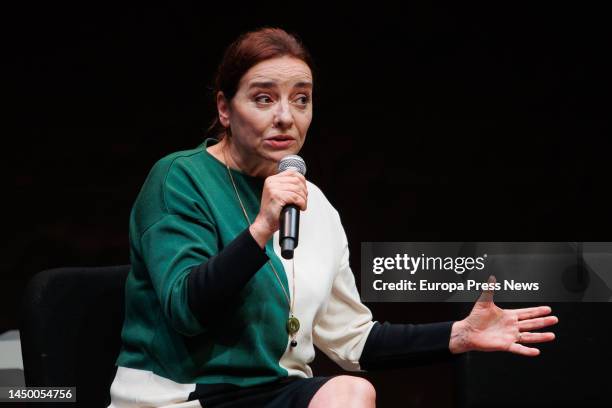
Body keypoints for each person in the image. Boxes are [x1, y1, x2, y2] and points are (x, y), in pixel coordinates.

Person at [108, 27, 558, 408]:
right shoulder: (179, 179)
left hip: (272, 391)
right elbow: (187, 310)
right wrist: (262, 227)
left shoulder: (314, 205)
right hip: (179, 396)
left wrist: (456, 335)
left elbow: (353, 340)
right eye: (264, 99)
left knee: (350, 392)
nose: (285, 117)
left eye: (300, 100)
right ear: (225, 109)